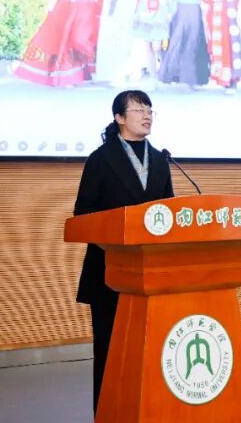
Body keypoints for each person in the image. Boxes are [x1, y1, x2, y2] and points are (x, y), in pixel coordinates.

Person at [73, 90, 174, 413]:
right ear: (119, 118)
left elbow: (169, 214)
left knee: (149, 351)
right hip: (109, 272)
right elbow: (83, 214)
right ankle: (108, 413)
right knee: (110, 349)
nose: (147, 115)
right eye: (139, 110)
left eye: (150, 110)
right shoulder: (100, 160)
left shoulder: (160, 160)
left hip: (151, 274)